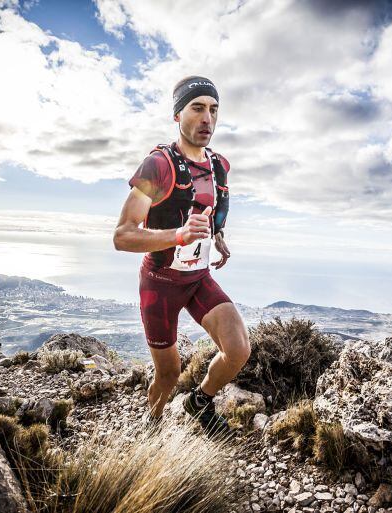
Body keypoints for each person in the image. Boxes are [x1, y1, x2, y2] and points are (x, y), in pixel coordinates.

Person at [113, 76, 250, 436]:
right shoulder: (158, 166)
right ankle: (153, 423)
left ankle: (199, 401)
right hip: (160, 285)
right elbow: (122, 235)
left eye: (214, 110)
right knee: (169, 374)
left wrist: (216, 237)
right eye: (198, 107)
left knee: (237, 350)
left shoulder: (219, 165)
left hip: (198, 279)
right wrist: (178, 235)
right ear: (178, 114)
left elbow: (204, 209)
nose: (208, 118)